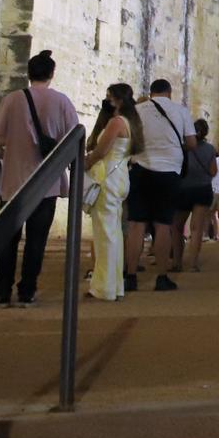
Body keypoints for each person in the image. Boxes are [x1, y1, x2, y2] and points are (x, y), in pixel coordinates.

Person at [0, 49, 81, 307]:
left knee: (8, 240)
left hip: (14, 180)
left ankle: (2, 290)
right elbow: (73, 138)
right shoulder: (62, 101)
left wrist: (9, 149)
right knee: (36, 241)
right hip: (46, 182)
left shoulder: (12, 100)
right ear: (51, 74)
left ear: (28, 73)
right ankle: (27, 290)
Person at [126, 77, 194, 292]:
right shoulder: (180, 111)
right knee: (163, 225)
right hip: (168, 172)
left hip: (140, 168)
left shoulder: (137, 110)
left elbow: (128, 139)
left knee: (136, 224)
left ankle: (130, 276)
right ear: (169, 93)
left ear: (151, 92)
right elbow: (191, 143)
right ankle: (162, 277)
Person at [83, 84, 140, 301]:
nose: (106, 101)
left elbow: (101, 151)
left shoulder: (116, 122)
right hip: (119, 177)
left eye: (109, 97)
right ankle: (113, 285)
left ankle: (104, 288)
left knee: (105, 235)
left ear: (117, 99)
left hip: (107, 178)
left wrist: (86, 163)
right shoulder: (131, 122)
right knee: (113, 233)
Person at [175, 121, 217, 272]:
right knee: (196, 228)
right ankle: (192, 263)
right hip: (202, 189)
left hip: (183, 189)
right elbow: (213, 171)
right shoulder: (210, 149)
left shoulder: (182, 148)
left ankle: (177, 263)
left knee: (177, 226)